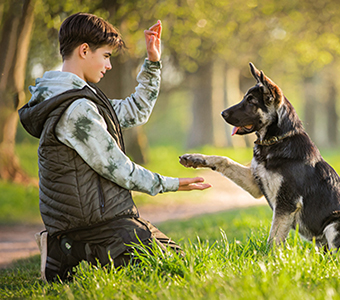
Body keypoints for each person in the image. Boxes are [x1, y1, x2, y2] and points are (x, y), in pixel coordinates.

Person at [18, 12, 211, 282]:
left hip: (98, 217)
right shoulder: (76, 110)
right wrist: (172, 183)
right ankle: (66, 247)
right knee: (175, 268)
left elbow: (135, 111)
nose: (109, 65)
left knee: (174, 262)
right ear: (84, 50)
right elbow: (119, 169)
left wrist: (153, 62)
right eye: (106, 56)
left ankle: (64, 249)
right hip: (94, 223)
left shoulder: (80, 97)